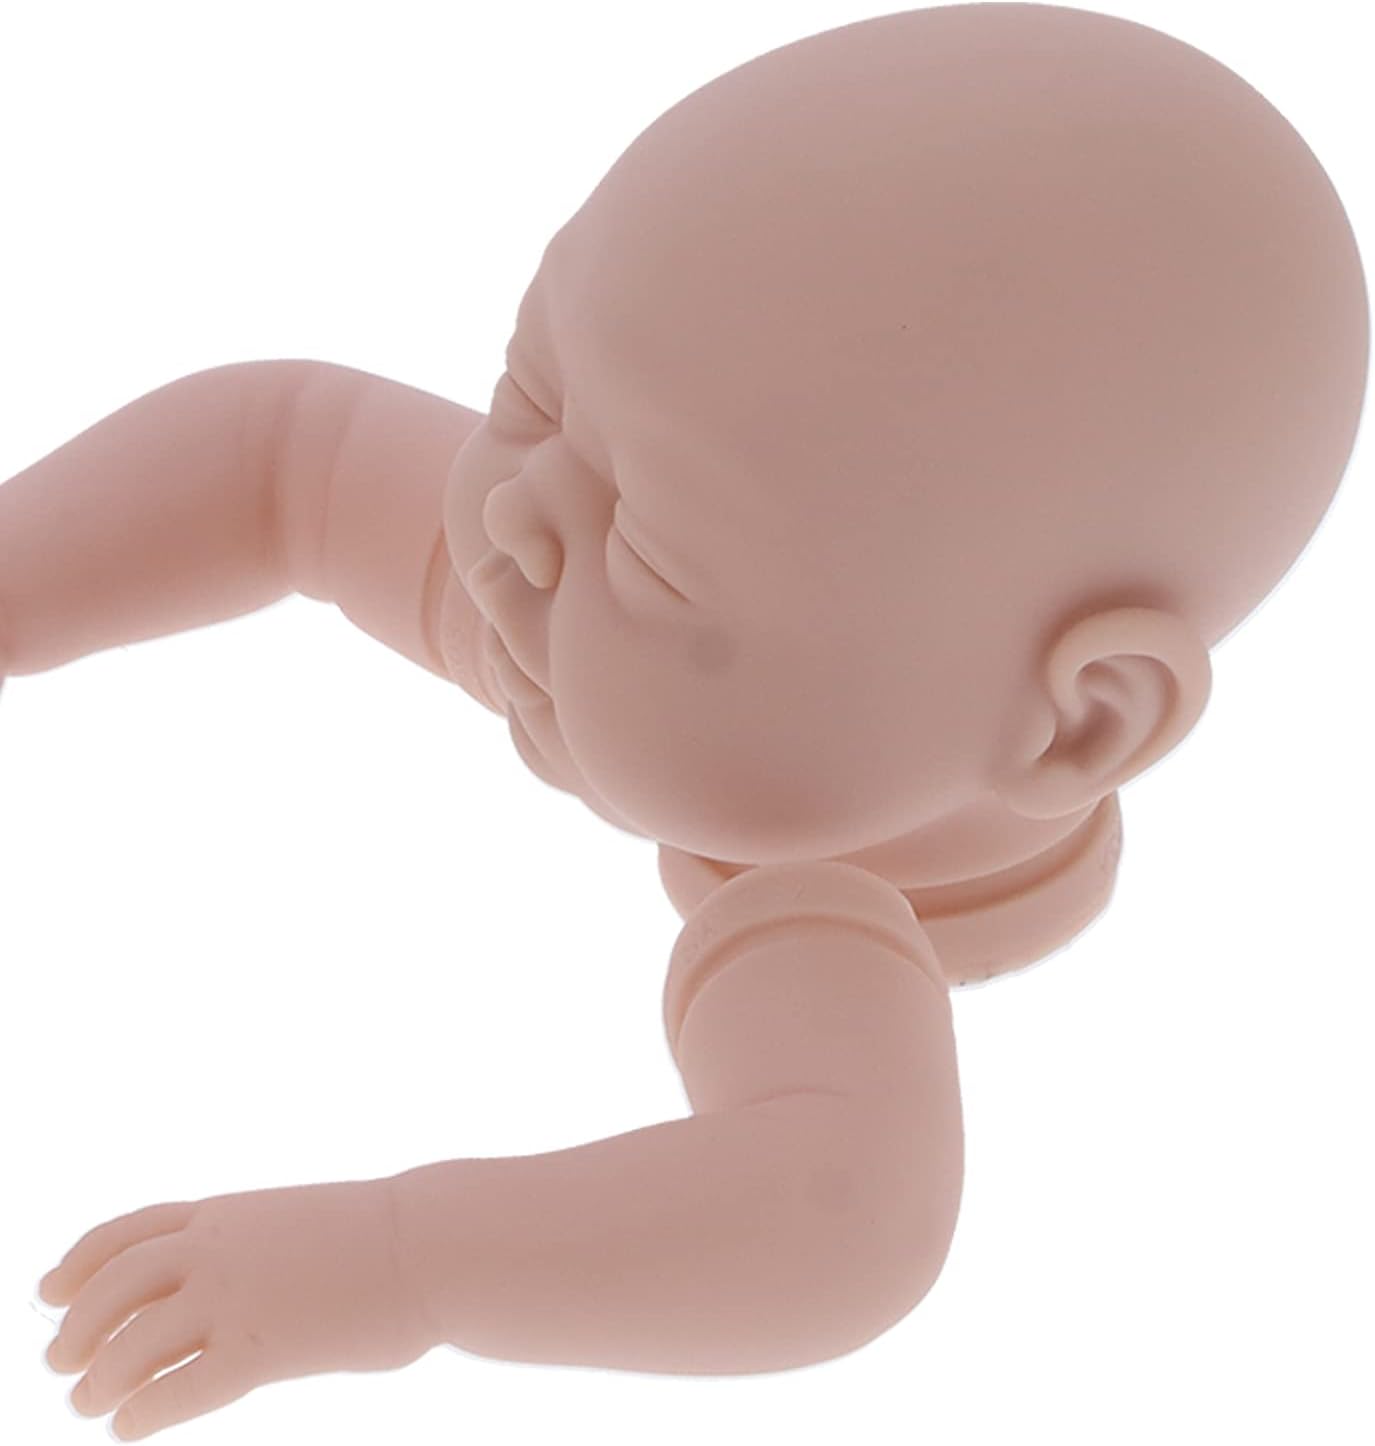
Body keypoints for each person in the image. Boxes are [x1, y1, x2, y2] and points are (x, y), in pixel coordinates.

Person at [5, 5, 1365, 1438]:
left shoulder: (823, 889)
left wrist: (401, 1263)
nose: (516, 523)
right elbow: (290, 452)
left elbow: (842, 1219)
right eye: (532, 389)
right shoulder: (557, 587)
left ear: (1080, 727)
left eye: (654, 562)